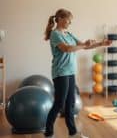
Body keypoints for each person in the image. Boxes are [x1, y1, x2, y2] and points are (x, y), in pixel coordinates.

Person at [44, 8, 111, 138]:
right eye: (68, 20)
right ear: (60, 19)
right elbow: (67, 49)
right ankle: (48, 133)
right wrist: (84, 45)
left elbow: (84, 46)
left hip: (70, 72)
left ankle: (73, 133)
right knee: (59, 104)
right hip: (60, 72)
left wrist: (101, 43)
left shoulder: (69, 34)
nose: (69, 23)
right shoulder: (55, 34)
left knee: (70, 104)